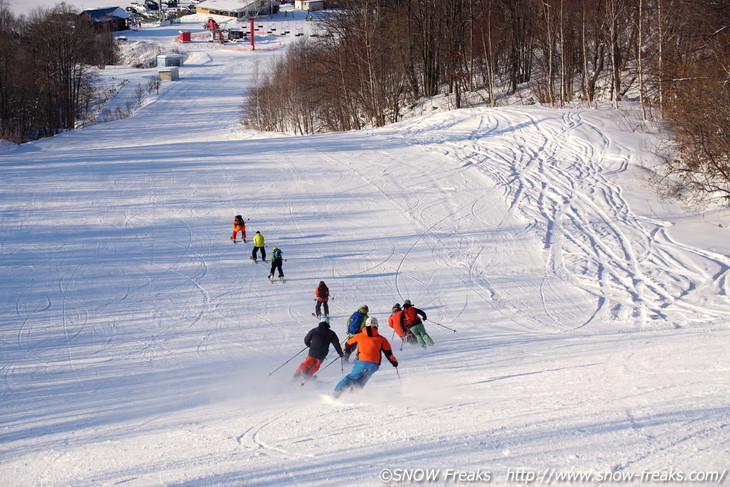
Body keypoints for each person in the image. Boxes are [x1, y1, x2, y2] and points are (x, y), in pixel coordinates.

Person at [333, 317, 398, 398]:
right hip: (374, 364)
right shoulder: (382, 339)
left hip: (362, 362)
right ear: (376, 325)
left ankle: (337, 393)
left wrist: (346, 350)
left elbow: (348, 344)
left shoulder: (359, 336)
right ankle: (352, 395)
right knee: (364, 379)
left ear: (366, 325)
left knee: (352, 377)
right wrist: (394, 362)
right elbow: (388, 353)